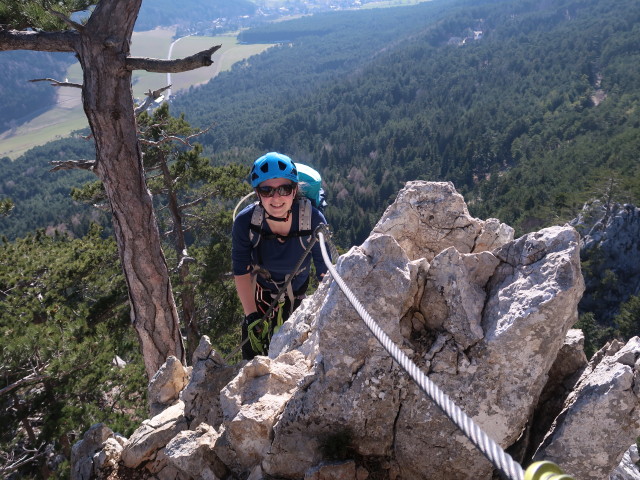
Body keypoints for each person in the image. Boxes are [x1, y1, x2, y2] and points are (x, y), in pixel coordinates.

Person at [232, 152, 330, 360]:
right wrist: (251, 318)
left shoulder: (313, 219)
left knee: (293, 357)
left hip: (298, 296)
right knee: (253, 354)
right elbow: (241, 272)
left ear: (294, 191)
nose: (276, 198)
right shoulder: (246, 222)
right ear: (258, 193)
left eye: (284, 189)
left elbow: (325, 273)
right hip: (261, 296)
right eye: (267, 190)